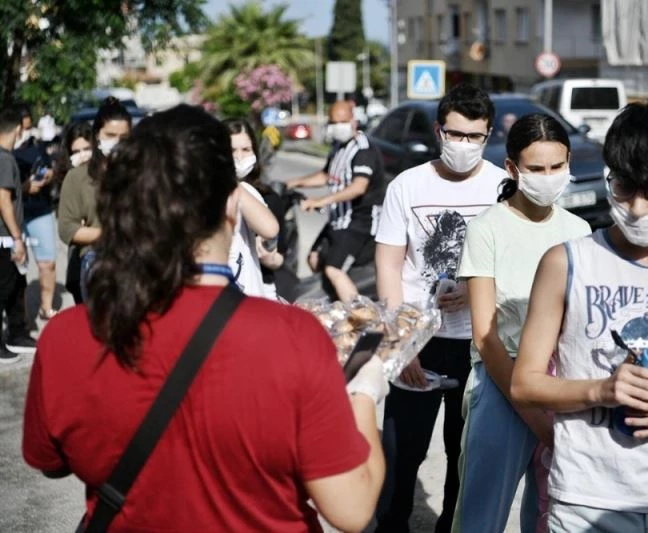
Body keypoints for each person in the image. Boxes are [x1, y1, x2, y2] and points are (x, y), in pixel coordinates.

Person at [23, 104, 389, 532]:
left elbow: (50, 462)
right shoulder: (292, 337)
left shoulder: (66, 336)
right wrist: (364, 393)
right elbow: (353, 508)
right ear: (232, 204)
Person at [511, 96, 648, 533]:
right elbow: (524, 384)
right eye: (624, 187)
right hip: (586, 499)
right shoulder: (566, 262)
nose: (637, 207)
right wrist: (602, 390)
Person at [374, 83, 505, 533]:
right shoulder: (407, 186)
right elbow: (389, 266)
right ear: (438, 131)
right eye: (456, 134)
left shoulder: (503, 188)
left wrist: (474, 292)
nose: (465, 146)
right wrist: (401, 342)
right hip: (419, 341)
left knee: (464, 454)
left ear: (489, 136)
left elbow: (516, 263)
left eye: (476, 137)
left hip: (479, 342)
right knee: (400, 453)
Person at [452, 114, 592, 533]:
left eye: (557, 167)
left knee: (551, 515)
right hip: (501, 382)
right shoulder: (487, 229)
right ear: (513, 169)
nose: (548, 178)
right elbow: (485, 334)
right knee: (481, 518)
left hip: (561, 383)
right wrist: (531, 410)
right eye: (536, 169)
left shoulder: (579, 230)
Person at [286, 100, 385, 302]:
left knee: (334, 269)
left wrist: (321, 201)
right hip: (339, 218)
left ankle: (360, 318)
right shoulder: (339, 147)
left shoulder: (363, 150)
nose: (337, 126)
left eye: (342, 121)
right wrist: (294, 183)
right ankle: (332, 304)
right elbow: (326, 176)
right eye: (333, 122)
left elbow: (359, 187)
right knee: (314, 259)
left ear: (353, 121)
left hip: (360, 221)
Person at [58, 97, 131, 302]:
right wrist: (109, 233)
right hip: (98, 261)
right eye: (110, 135)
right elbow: (67, 228)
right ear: (97, 135)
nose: (117, 142)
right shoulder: (79, 177)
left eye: (123, 137)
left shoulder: (142, 173)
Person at [221, 118, 280, 298]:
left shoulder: (251, 192)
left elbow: (270, 232)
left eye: (245, 150)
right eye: (231, 150)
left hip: (250, 293)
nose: (238, 157)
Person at [13, 109, 59, 320]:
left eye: (29, 126)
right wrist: (24, 187)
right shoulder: (6, 152)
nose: (26, 131)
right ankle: (19, 317)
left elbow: (50, 168)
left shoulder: (37, 145)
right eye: (23, 126)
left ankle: (46, 307)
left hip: (40, 210)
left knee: (47, 262)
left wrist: (47, 176)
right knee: (16, 267)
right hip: (15, 216)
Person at [0, 109, 35, 363]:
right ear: (16, 131)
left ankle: (17, 334)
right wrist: (17, 238)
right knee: (4, 289)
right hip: (4, 237)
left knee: (15, 287)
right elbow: (3, 200)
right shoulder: (4, 159)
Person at [53, 121, 93, 305]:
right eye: (76, 152)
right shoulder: (70, 178)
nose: (83, 156)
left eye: (86, 149)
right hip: (80, 257)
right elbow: (68, 226)